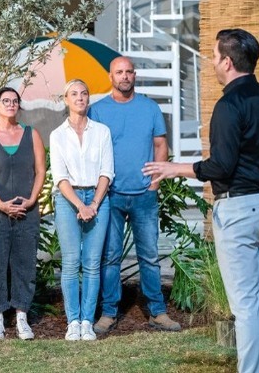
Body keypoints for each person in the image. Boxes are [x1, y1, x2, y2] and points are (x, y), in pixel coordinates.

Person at [144, 28, 259, 373]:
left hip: (240, 207)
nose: (212, 62)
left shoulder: (229, 105)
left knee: (245, 303)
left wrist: (175, 167)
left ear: (227, 62)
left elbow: (220, 166)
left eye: (214, 56)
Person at [87, 56, 180, 335]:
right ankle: (109, 313)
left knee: (149, 256)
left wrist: (155, 183)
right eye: (119, 72)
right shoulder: (97, 110)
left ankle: (157, 312)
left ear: (135, 75)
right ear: (110, 76)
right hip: (111, 195)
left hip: (144, 195)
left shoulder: (150, 108)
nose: (124, 76)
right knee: (111, 256)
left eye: (129, 72)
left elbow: (160, 144)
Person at [0, 87, 46, 340]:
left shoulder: (31, 134)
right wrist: (0, 204)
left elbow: (41, 171)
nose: (11, 104)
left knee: (25, 263)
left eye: (15, 101)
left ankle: (22, 317)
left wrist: (32, 199)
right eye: (6, 101)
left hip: (27, 210)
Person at [49, 80, 114, 341]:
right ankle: (72, 321)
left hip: (98, 198)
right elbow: (60, 176)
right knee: (71, 262)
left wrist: (94, 204)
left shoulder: (102, 131)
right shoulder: (57, 134)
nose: (80, 98)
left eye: (84, 93)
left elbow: (106, 171)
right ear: (66, 99)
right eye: (74, 94)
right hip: (68, 199)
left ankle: (87, 321)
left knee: (91, 264)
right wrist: (80, 205)